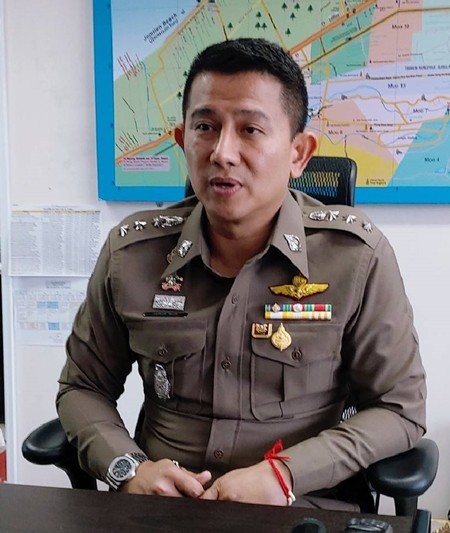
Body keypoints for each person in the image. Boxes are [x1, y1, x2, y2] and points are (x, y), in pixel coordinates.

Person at [57, 38, 426, 510]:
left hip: (300, 506)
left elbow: (399, 408)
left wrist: (286, 474)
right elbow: (82, 387)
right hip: (164, 509)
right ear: (182, 141)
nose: (222, 152)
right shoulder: (131, 255)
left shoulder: (355, 257)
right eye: (205, 127)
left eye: (250, 129)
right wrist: (129, 468)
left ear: (299, 153)